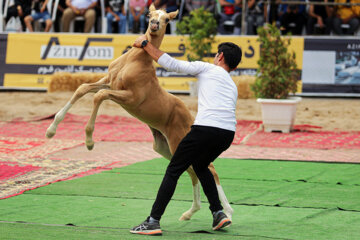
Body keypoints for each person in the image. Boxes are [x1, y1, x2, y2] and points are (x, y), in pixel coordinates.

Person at [130, 36, 242, 236]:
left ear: (220, 56)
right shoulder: (232, 85)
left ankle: (153, 221)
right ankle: (218, 213)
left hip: (205, 129)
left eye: (216, 54)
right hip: (227, 134)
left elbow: (171, 64)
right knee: (200, 165)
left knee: (174, 170)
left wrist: (146, 45)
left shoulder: (208, 68)